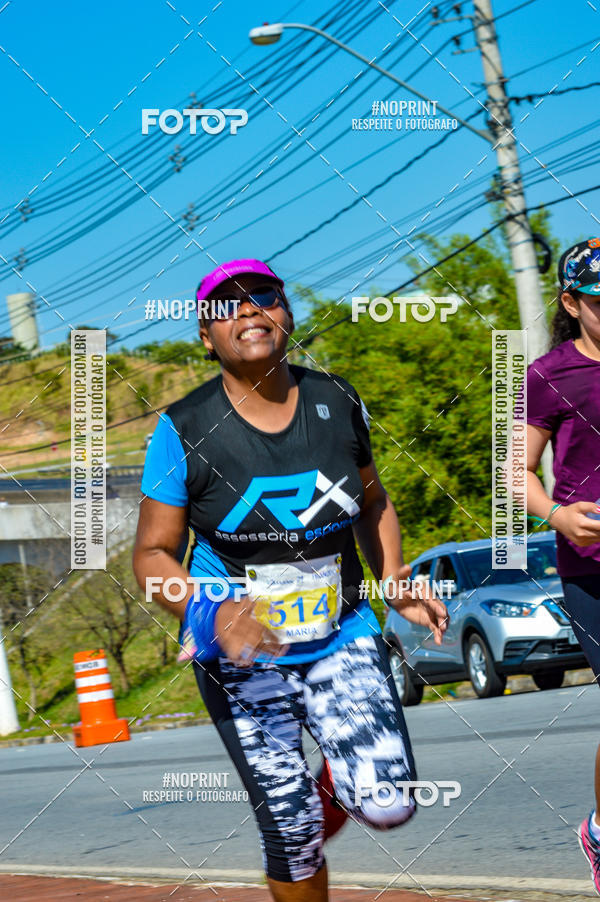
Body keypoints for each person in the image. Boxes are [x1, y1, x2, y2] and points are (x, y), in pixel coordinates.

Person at [133, 258, 448, 902]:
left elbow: (374, 501)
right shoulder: (182, 429)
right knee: (289, 827)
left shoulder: (337, 399)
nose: (249, 312)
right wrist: (209, 612)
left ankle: (337, 764)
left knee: (387, 805)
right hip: (241, 648)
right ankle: (295, 817)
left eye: (264, 297)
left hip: (343, 629)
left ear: (287, 313)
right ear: (205, 334)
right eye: (229, 306)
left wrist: (393, 577)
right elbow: (152, 557)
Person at [525, 238, 600, 894]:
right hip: (591, 564)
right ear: (573, 303)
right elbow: (513, 471)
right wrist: (556, 515)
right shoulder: (550, 373)